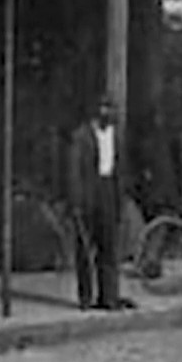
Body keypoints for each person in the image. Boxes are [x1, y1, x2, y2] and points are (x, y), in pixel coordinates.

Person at [66, 94, 133, 311]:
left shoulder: (116, 136)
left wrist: (119, 199)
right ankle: (85, 297)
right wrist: (76, 203)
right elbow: (74, 173)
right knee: (85, 250)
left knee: (109, 248)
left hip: (108, 193)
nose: (107, 114)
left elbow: (120, 170)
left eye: (111, 109)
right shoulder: (81, 136)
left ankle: (109, 297)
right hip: (88, 195)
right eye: (103, 109)